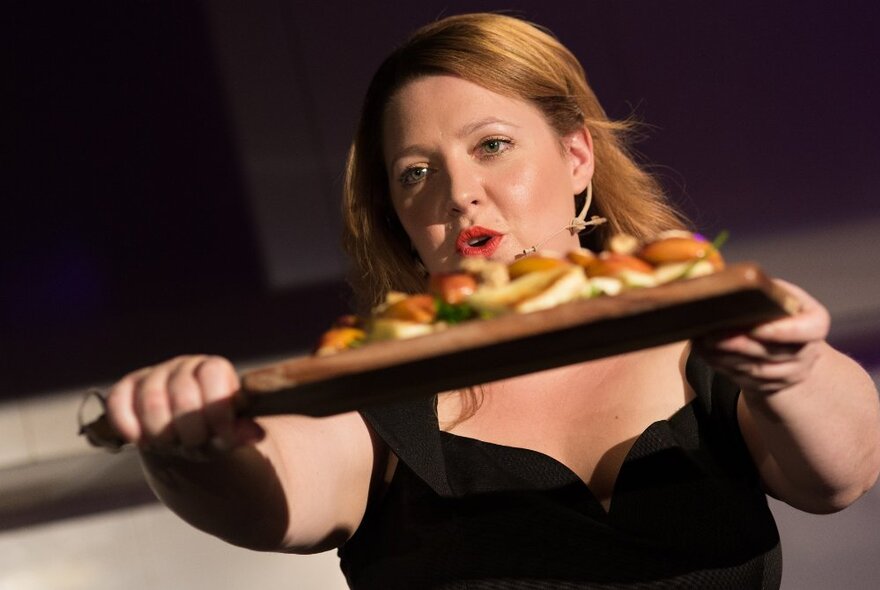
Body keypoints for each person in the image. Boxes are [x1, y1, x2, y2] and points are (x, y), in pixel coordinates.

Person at [104, 12, 880, 589]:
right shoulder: (379, 385)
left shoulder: (698, 326)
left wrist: (792, 369)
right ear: (402, 222)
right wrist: (186, 444)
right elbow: (274, 496)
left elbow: (838, 476)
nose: (458, 194)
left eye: (492, 146)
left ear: (577, 156)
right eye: (416, 172)